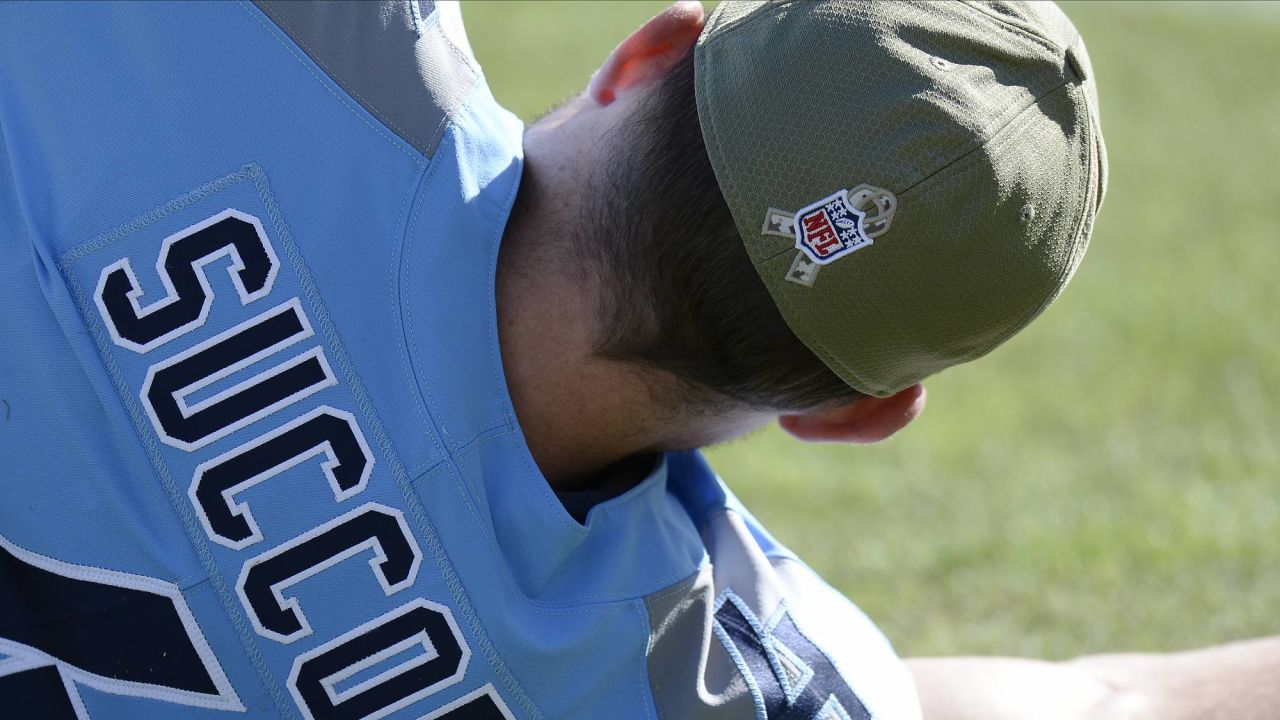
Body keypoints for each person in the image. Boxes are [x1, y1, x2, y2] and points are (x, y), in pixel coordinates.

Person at [0, 1, 1275, 719]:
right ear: (858, 415)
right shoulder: (718, 685)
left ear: (648, 51)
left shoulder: (298, 35)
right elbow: (1104, 704)